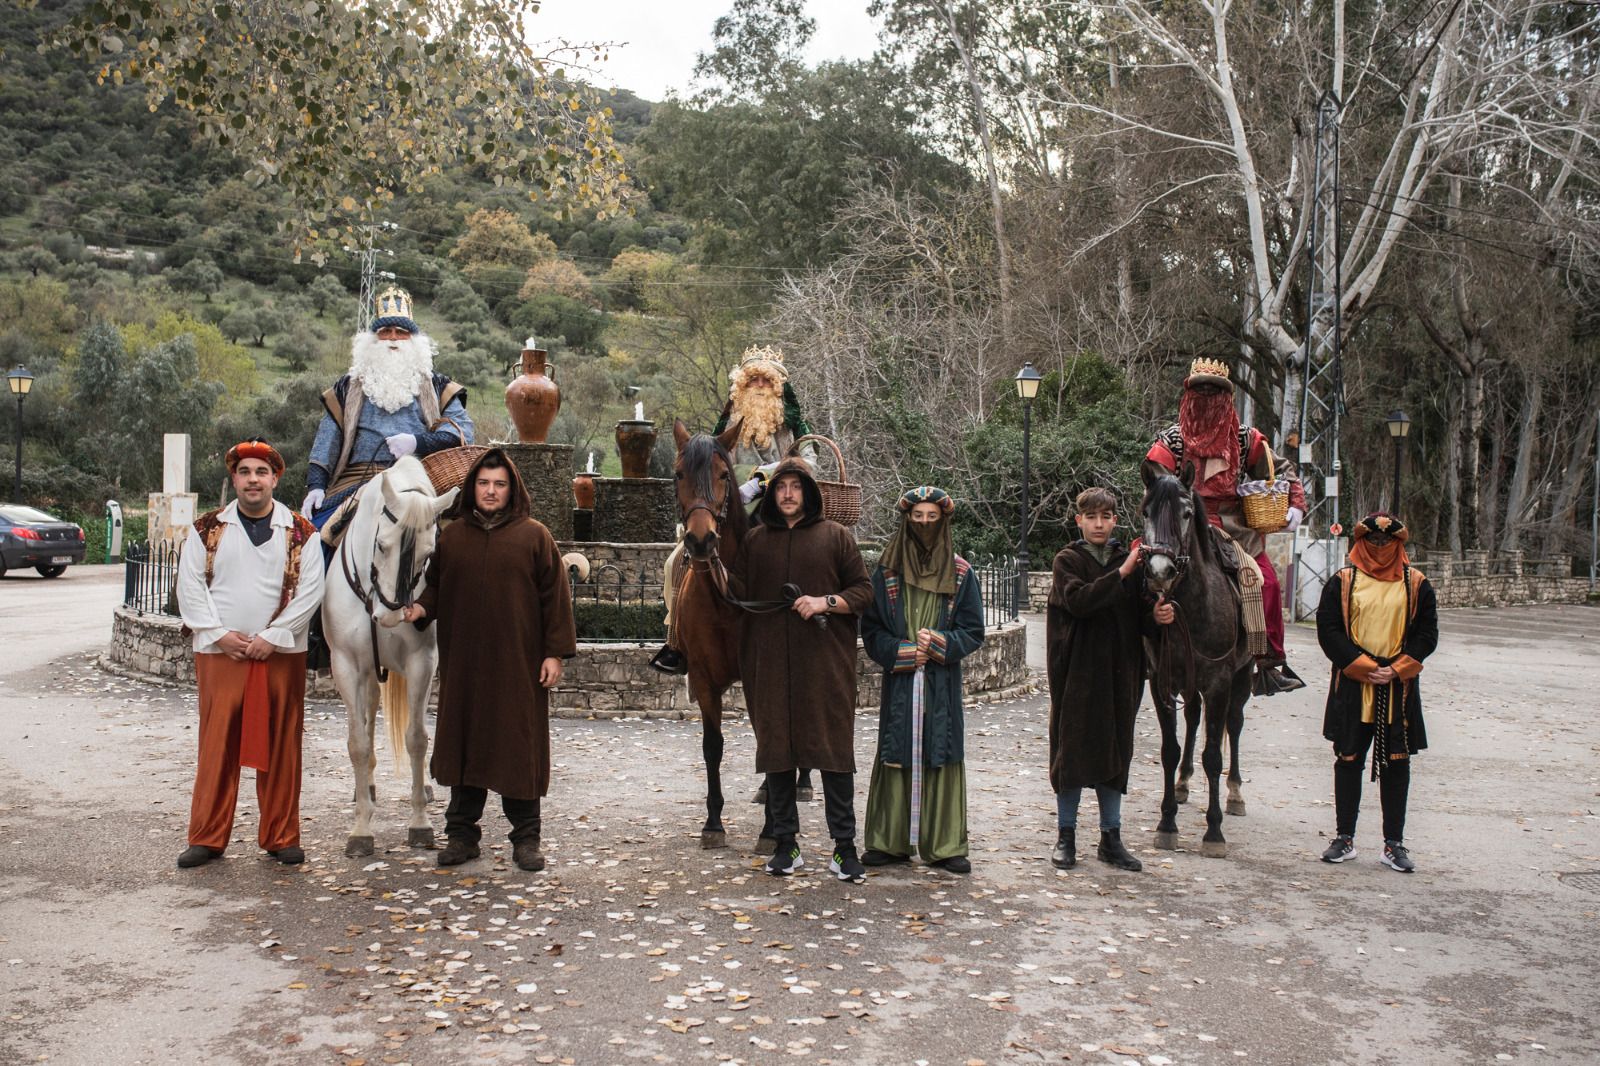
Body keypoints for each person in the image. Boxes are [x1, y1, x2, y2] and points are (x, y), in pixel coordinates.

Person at [402, 449, 577, 872]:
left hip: (518, 666)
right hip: (465, 668)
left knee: (518, 747)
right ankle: (462, 836)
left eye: (499, 484)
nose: (491, 491)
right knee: (465, 746)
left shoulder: (535, 536)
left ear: (511, 489)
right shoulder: (455, 537)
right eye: (484, 483)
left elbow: (556, 599)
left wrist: (554, 653)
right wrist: (422, 609)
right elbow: (436, 586)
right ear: (471, 488)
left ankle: (526, 840)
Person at [175, 439, 324, 868]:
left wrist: (274, 635)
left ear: (275, 478)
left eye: (261, 472)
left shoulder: (301, 533)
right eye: (245, 472)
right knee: (217, 743)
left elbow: (310, 591)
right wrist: (219, 634)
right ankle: (206, 836)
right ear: (234, 479)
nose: (253, 479)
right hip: (221, 654)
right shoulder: (207, 529)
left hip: (280, 654)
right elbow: (190, 586)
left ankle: (281, 835)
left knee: (281, 744)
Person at [731, 460, 872, 881]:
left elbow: (863, 592)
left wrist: (824, 602)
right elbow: (733, 593)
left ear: (809, 494)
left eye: (795, 487)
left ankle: (844, 849)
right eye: (781, 488)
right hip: (769, 663)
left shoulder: (836, 536)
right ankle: (785, 844)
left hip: (825, 663)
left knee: (832, 753)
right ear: (771, 495)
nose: (788, 494)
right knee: (777, 752)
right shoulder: (755, 541)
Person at [1144, 357, 1306, 694]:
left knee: (1267, 583)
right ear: (1187, 395)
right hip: (1179, 525)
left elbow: (1282, 471)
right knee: (1137, 573)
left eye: (1214, 391)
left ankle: (1268, 662)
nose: (1206, 396)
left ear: (1227, 397)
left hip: (1235, 529)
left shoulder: (1246, 439)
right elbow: (1155, 485)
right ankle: (1138, 651)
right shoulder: (1172, 441)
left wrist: (1294, 504)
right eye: (1199, 390)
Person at [651, 344, 814, 675]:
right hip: (727, 508)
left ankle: (804, 634)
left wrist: (764, 478)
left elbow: (809, 461)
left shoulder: (791, 423)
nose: (758, 387)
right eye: (751, 380)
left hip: (779, 507)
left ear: (776, 386)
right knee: (674, 562)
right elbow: (706, 467)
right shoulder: (730, 423)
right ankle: (676, 642)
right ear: (741, 385)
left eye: (764, 381)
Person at [1046, 487, 1175, 872]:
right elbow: (1080, 602)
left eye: (1106, 517)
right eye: (1092, 517)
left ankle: (1110, 838)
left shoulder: (1132, 564)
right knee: (1070, 751)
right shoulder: (1067, 560)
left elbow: (1140, 616)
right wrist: (1121, 573)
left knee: (1116, 751)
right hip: (1077, 673)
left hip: (1122, 672)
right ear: (1079, 521)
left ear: (1115, 520)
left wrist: (1158, 617)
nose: (1099, 524)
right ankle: (1065, 835)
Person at [859, 487, 985, 874]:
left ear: (943, 522)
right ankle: (889, 841)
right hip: (901, 683)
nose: (925, 524)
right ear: (906, 521)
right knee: (897, 748)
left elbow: (974, 629)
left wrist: (942, 644)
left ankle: (945, 845)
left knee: (941, 748)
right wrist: (900, 652)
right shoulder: (887, 572)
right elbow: (872, 628)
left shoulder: (961, 573)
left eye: (932, 518)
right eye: (918, 518)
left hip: (940, 683)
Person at [1315, 512, 1438, 873]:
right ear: (1361, 542)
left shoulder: (1416, 584)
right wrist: (1363, 666)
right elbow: (1329, 629)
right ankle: (1344, 838)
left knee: (1397, 763)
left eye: (1388, 542)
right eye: (1374, 541)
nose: (1381, 548)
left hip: (1397, 689)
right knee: (1349, 758)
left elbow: (1427, 634)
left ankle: (1393, 844)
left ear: (1399, 544)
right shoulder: (1342, 581)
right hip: (1355, 685)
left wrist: (1396, 668)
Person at [301, 286, 476, 527]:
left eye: (401, 332)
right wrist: (316, 486)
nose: (393, 338)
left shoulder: (438, 386)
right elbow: (326, 439)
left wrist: (418, 442)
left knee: (447, 544)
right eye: (385, 331)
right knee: (318, 532)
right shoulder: (347, 386)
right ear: (373, 339)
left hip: (417, 480)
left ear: (413, 339)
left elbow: (463, 433)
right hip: (356, 481)